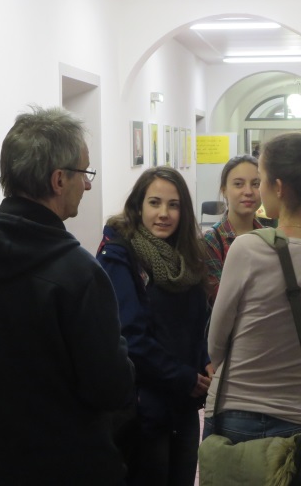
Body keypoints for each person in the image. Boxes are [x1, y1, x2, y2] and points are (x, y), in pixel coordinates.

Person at [0, 106, 135, 486]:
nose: (88, 186)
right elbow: (111, 388)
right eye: (85, 173)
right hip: (79, 471)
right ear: (59, 179)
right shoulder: (81, 274)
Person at [203, 132, 301, 443]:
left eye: (260, 179)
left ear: (278, 187)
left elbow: (217, 342)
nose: (256, 189)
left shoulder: (248, 248)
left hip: (237, 406)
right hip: (300, 412)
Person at [97, 166, 210, 486]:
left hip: (184, 405)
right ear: (138, 206)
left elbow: (198, 321)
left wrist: (203, 358)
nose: (164, 214)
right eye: (154, 203)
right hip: (144, 409)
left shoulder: (186, 256)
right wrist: (185, 376)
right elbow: (130, 337)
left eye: (173, 205)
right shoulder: (119, 255)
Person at [202, 154, 268, 305]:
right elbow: (220, 299)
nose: (248, 191)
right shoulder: (210, 241)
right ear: (224, 190)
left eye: (256, 184)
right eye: (238, 184)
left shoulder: (270, 237)